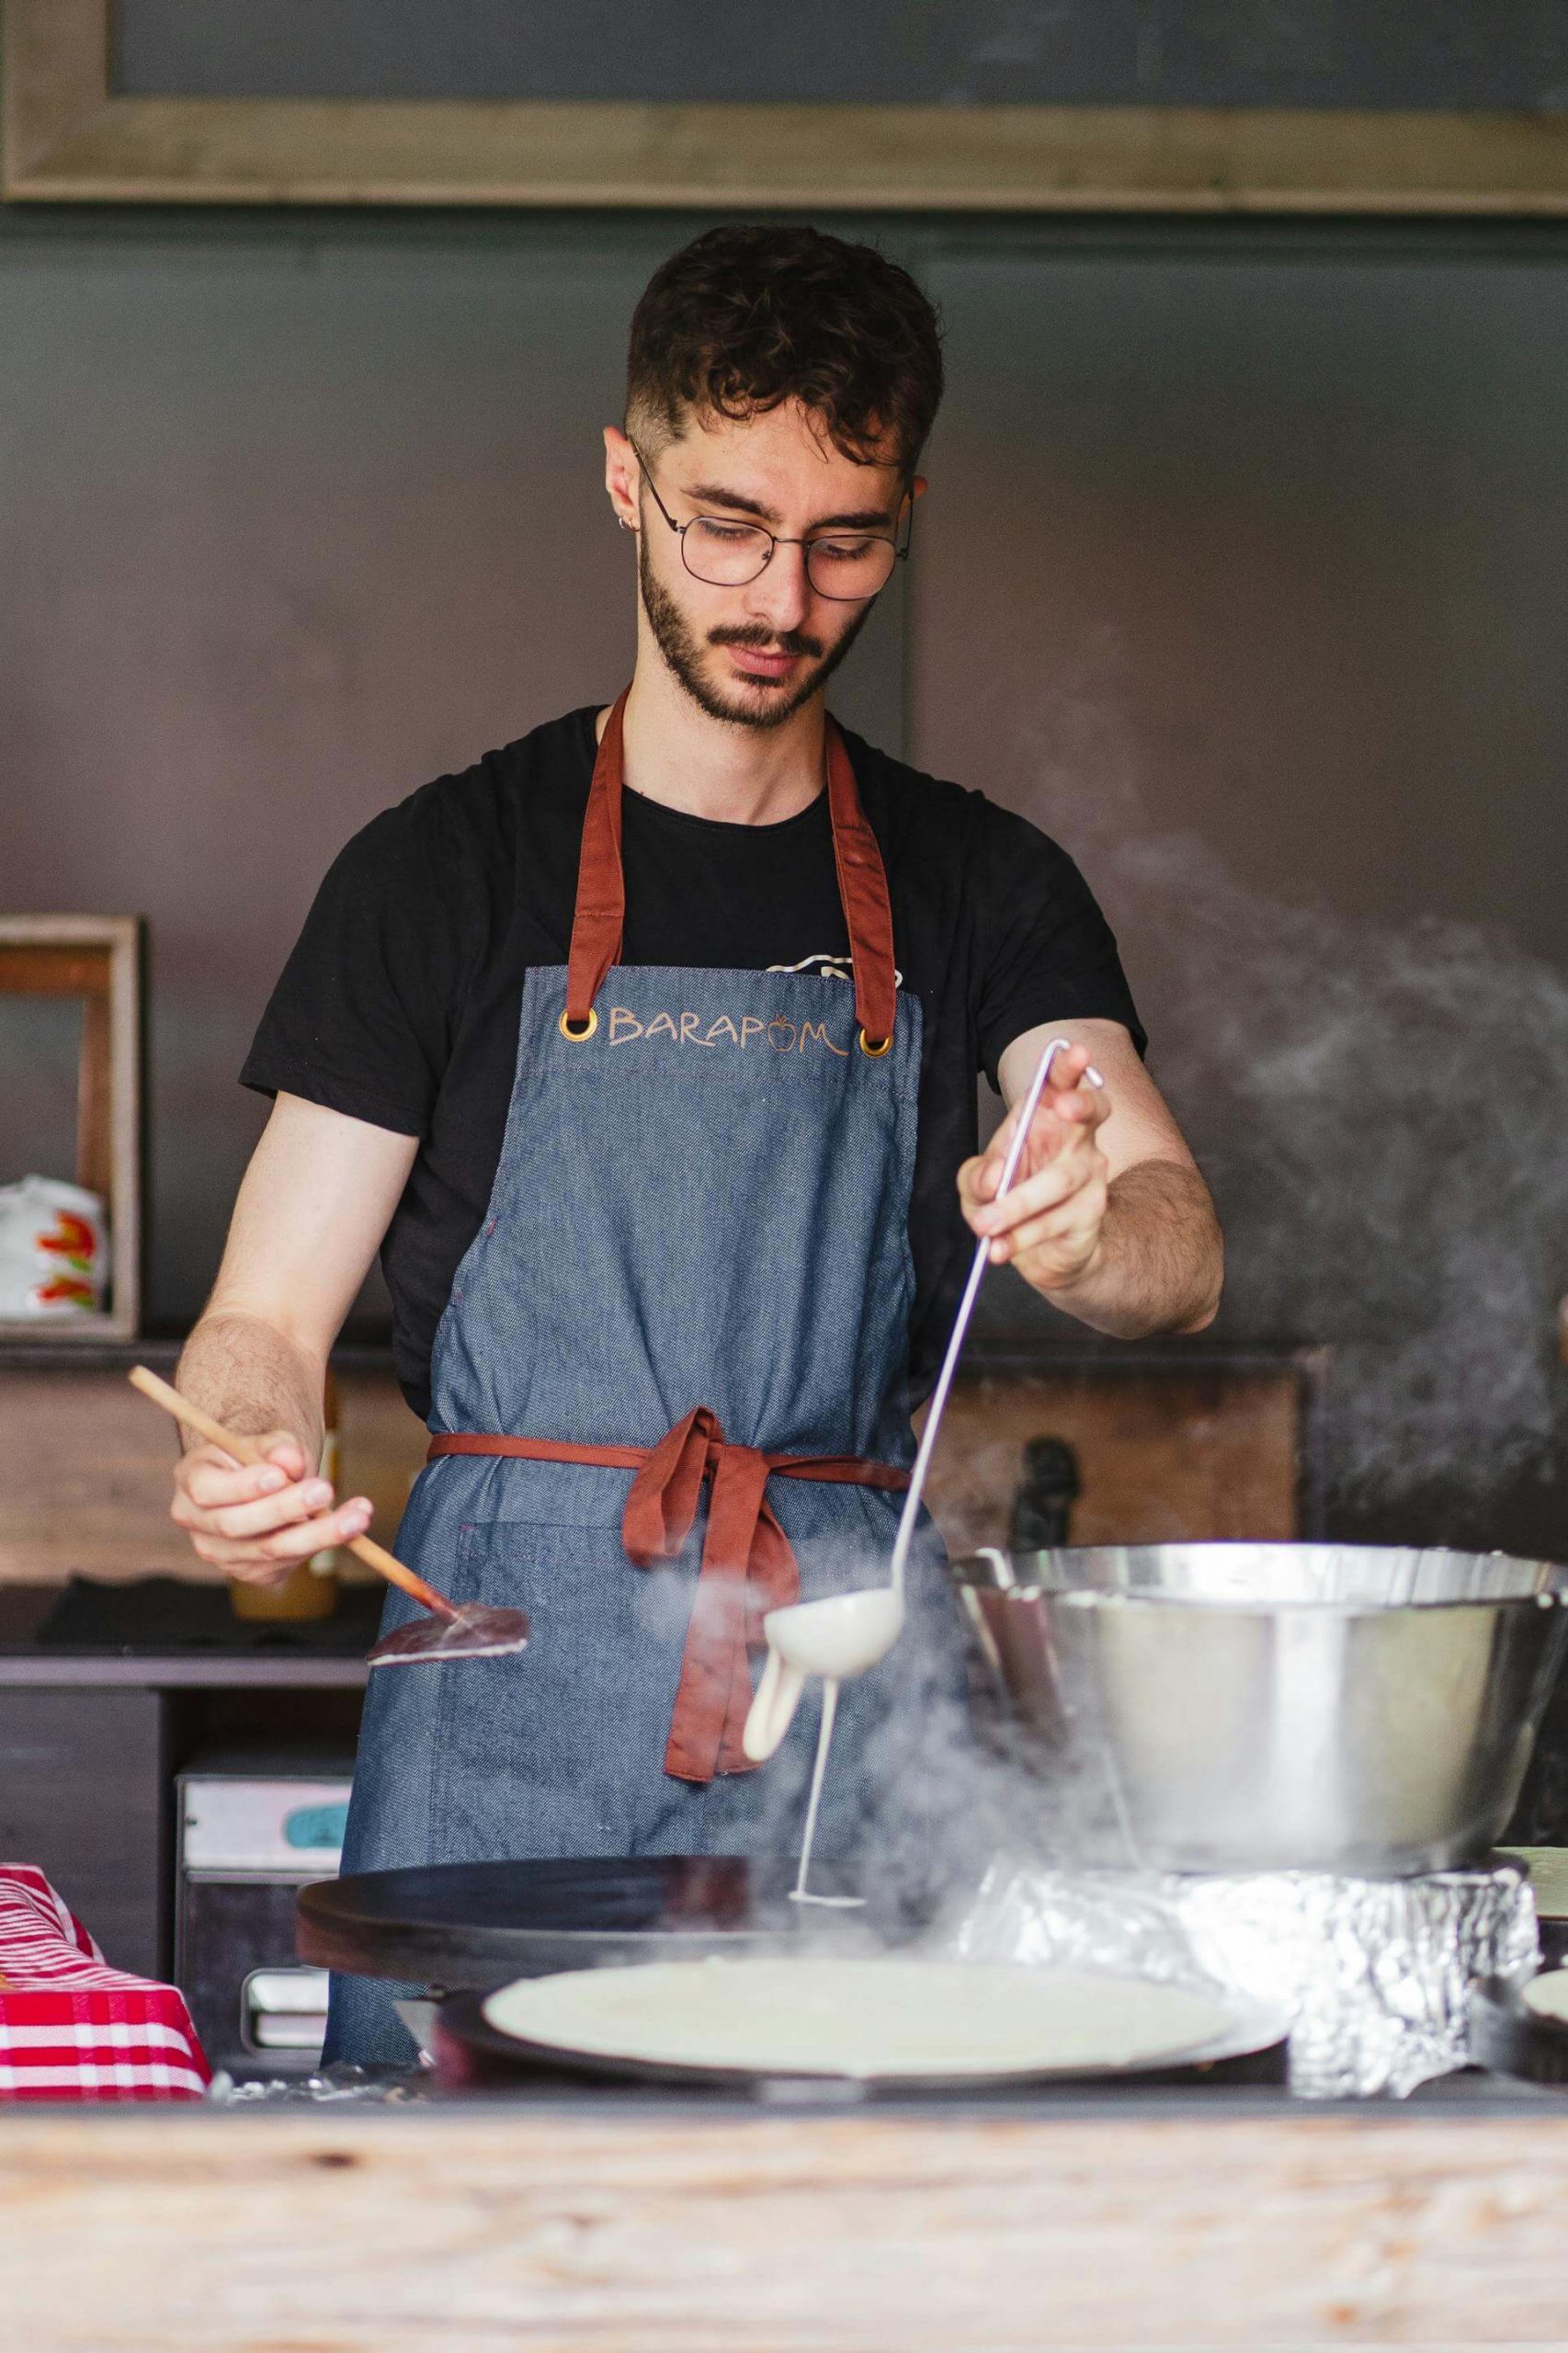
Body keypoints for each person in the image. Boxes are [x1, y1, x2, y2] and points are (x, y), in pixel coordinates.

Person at [167, 225, 1222, 2063]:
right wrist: (251, 1445)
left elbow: (1173, 1240)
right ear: (621, 477)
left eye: (845, 540)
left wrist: (1081, 1226)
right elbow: (264, 1317)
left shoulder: (982, 883)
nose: (779, 596)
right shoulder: (440, 870)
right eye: (723, 522)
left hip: (842, 1697)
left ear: (904, 511)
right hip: (508, 1692)